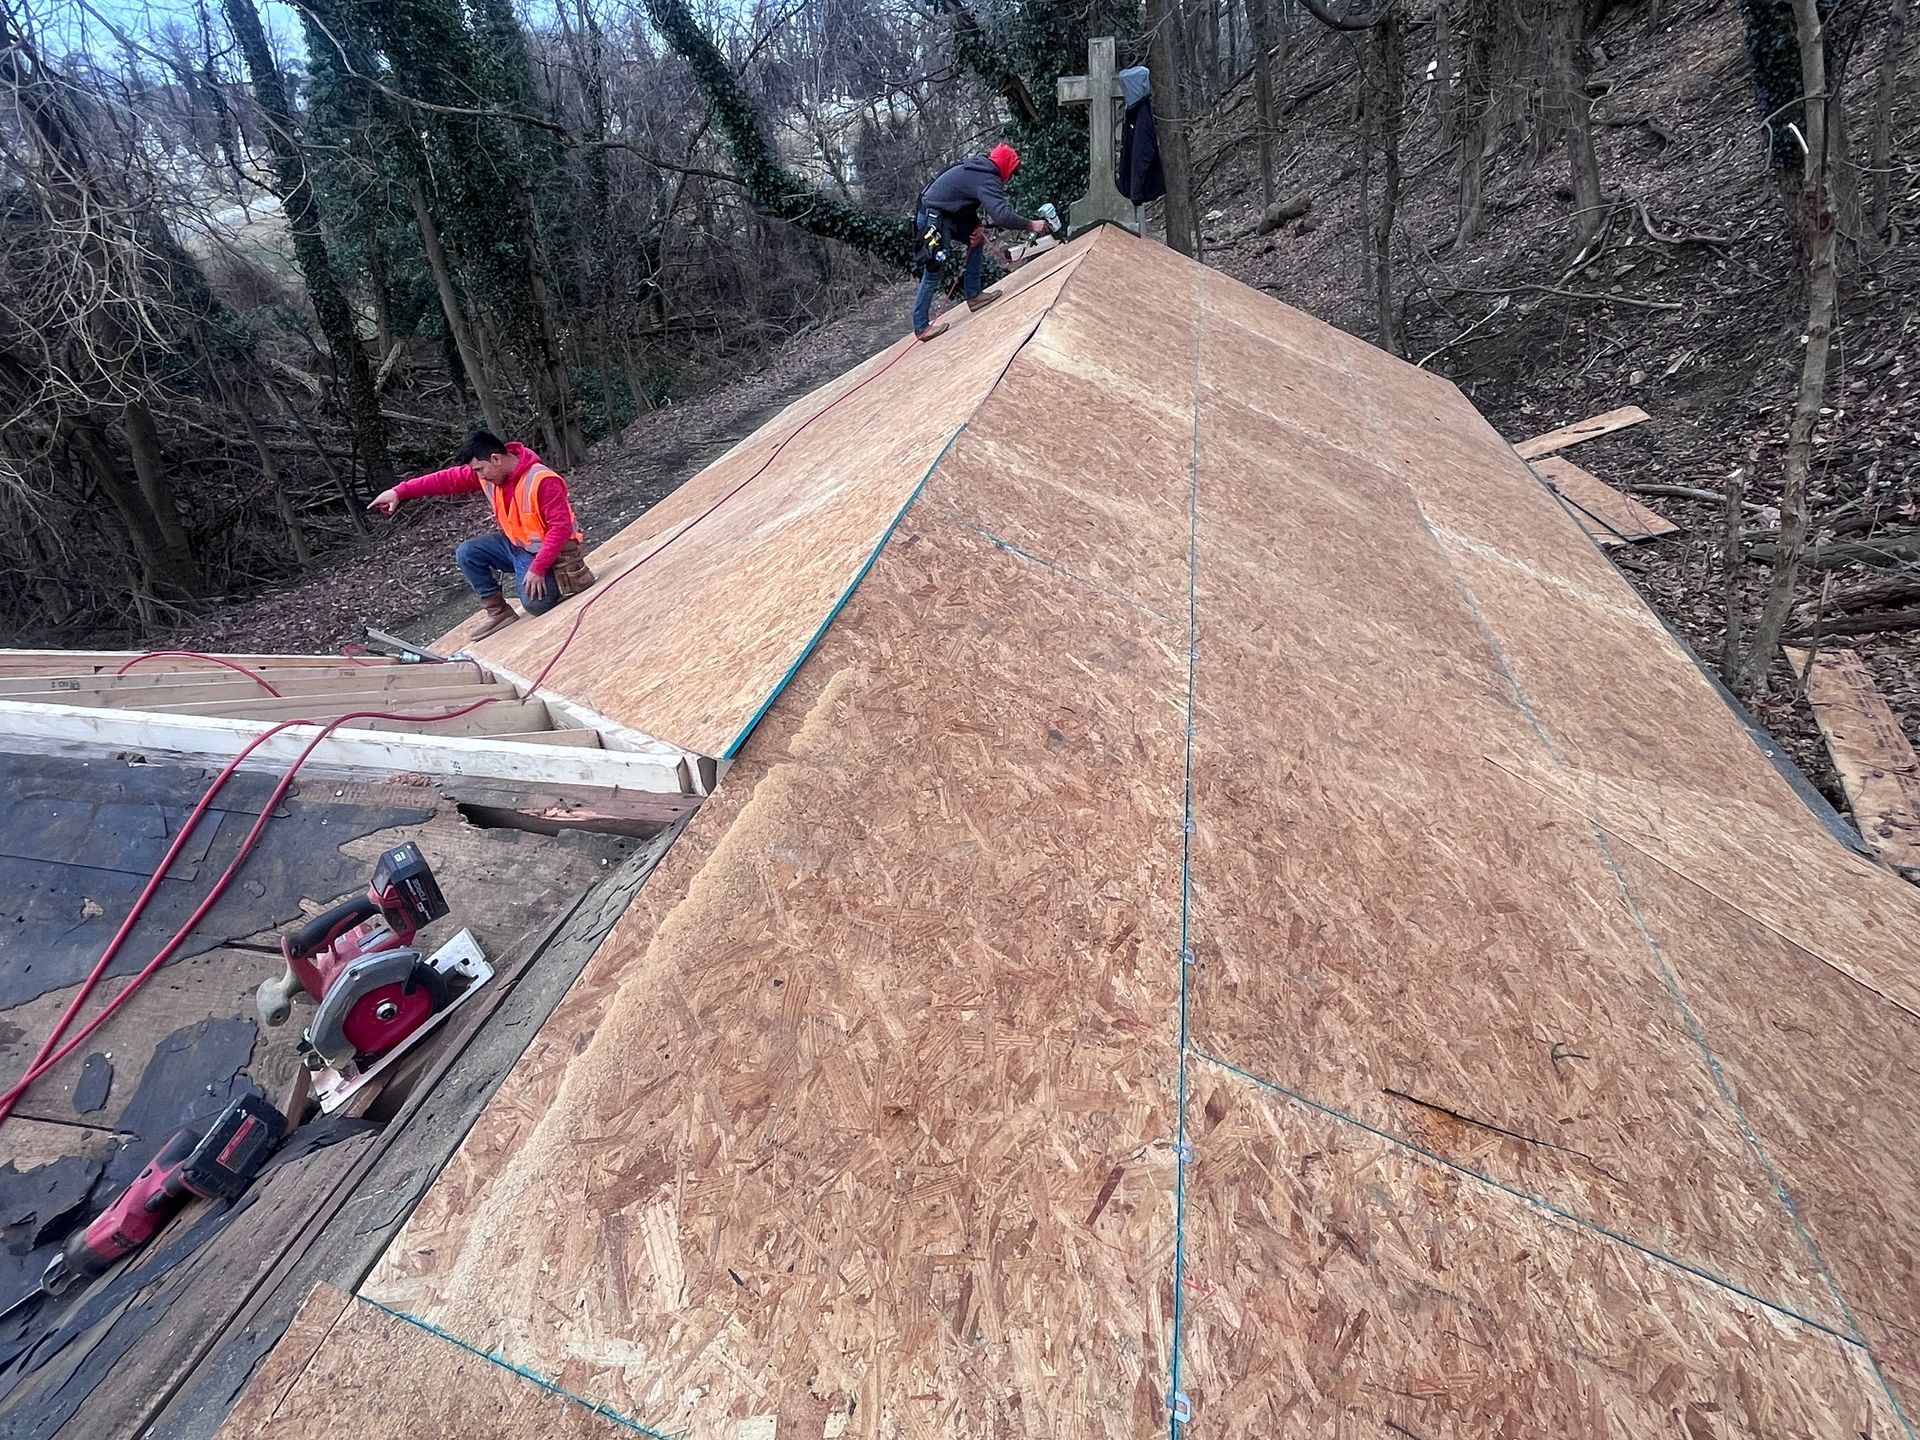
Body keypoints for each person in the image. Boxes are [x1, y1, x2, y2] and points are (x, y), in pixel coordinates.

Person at [370, 430, 595, 639]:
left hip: (550, 555)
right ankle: (499, 612)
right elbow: (444, 479)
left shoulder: (542, 480)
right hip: (515, 547)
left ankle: (563, 580)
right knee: (468, 552)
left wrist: (538, 568)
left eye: (480, 469)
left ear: (496, 459)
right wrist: (399, 492)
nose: (479, 476)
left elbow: (561, 528)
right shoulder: (488, 472)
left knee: (537, 605)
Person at [912, 143, 1052, 341]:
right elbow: (1002, 216)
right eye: (1011, 173)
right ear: (1005, 167)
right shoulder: (988, 177)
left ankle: (974, 295)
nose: (1010, 179)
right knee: (934, 269)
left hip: (946, 213)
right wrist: (1031, 225)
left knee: (976, 239)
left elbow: (960, 200)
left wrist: (976, 225)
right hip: (933, 217)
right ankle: (921, 327)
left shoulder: (981, 169)